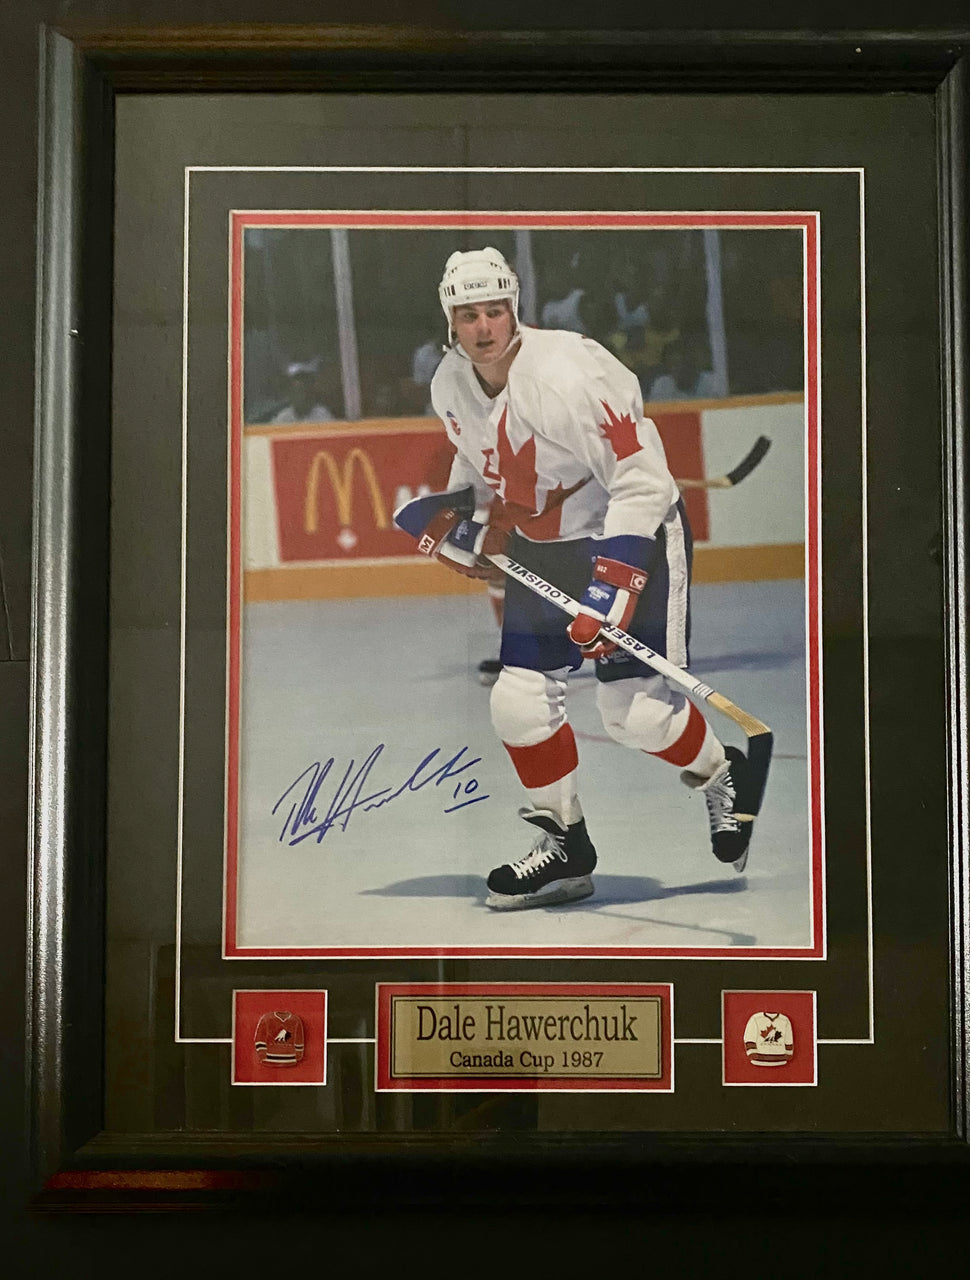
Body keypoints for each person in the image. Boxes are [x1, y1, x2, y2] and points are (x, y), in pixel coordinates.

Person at [394, 248, 759, 910]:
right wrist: (460, 517)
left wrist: (610, 589)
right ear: (449, 320)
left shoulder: (569, 373)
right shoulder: (450, 382)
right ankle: (566, 848)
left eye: (495, 312)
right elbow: (482, 464)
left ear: (515, 311)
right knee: (517, 701)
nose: (483, 328)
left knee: (636, 717)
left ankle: (719, 773)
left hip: (632, 537)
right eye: (468, 315)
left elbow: (643, 483)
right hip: (546, 550)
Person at [270, 360, 334, 424]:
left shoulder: (323, 416)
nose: (303, 396)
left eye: (306, 391)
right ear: (291, 394)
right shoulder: (282, 419)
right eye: (299, 391)